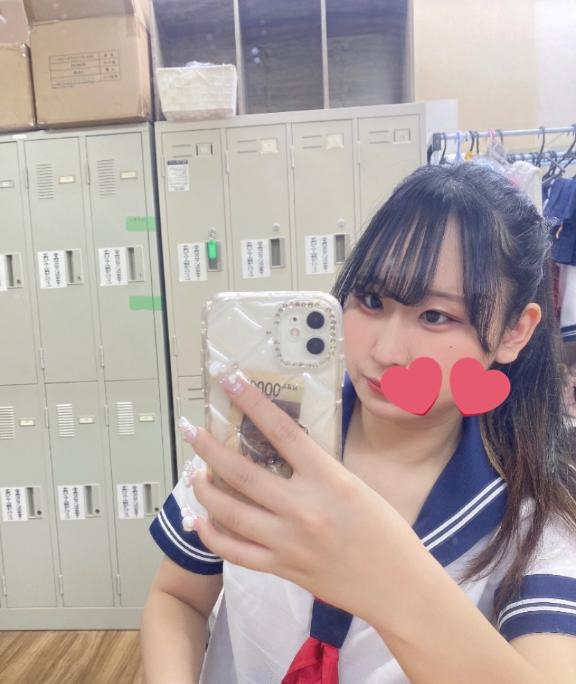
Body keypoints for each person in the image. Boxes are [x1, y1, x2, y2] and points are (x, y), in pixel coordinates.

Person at [141, 163, 576, 683]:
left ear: (513, 332)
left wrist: (384, 577)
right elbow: (178, 597)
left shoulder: (535, 518)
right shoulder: (258, 435)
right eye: (371, 301)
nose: (386, 352)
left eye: (436, 316)